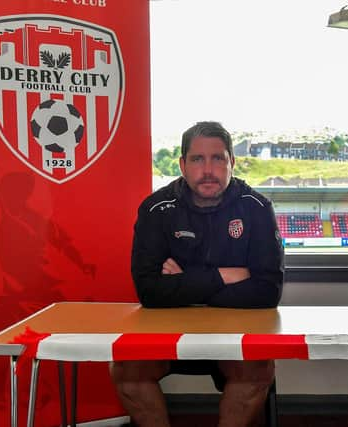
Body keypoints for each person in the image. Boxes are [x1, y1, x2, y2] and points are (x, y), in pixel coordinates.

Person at [110, 121, 284, 427]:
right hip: (167, 329)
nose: (208, 169)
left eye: (218, 158)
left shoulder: (256, 207)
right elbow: (149, 292)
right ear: (182, 164)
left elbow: (267, 291)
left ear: (232, 162)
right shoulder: (155, 208)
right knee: (125, 372)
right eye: (197, 159)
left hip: (234, 332)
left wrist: (182, 281)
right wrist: (227, 276)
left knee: (257, 372)